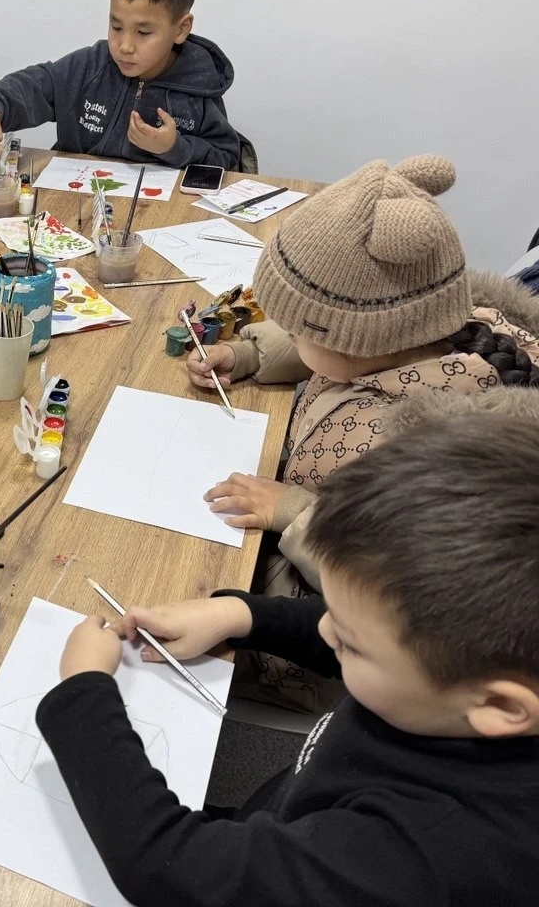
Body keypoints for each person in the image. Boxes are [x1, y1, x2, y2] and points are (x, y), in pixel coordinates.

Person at [38, 413, 539, 906]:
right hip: (290, 818)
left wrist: (83, 689)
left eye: (350, 640)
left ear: (501, 706)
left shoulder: (427, 857)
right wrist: (242, 615)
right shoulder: (463, 682)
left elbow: (168, 868)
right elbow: (384, 642)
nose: (324, 629)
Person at [185, 154, 539, 710]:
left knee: (174, 593)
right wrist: (249, 352)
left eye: (295, 330)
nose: (289, 334)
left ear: (353, 339)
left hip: (333, 640)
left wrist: (296, 512)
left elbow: (400, 596)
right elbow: (334, 346)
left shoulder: (437, 461)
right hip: (293, 525)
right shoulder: (425, 327)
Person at [0, 0, 239, 169]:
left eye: (143, 32)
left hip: (156, 213)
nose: (125, 46)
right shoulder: (89, 67)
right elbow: (36, 84)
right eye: (116, 27)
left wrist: (173, 147)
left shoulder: (198, 86)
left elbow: (226, 159)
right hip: (75, 205)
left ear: (181, 29)